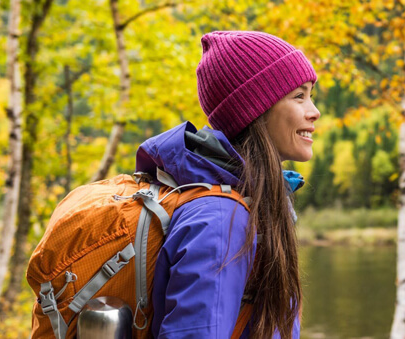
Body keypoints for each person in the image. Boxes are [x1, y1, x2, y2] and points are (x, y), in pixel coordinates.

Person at [135, 31, 320, 338]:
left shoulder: (251, 205)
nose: (314, 111)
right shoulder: (222, 221)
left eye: (312, 95)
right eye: (299, 96)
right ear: (255, 111)